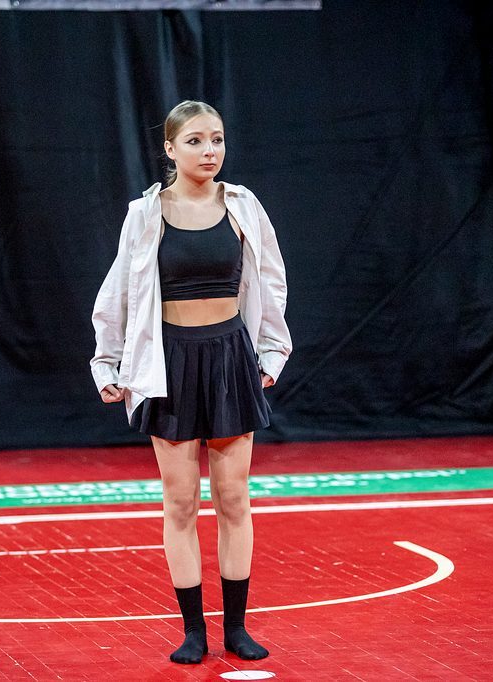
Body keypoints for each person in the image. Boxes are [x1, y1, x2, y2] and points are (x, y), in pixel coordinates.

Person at [90, 100, 292, 664]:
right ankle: (193, 632)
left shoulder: (244, 205)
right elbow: (119, 292)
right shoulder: (145, 213)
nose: (210, 151)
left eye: (217, 140)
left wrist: (272, 351)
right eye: (196, 141)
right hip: (170, 363)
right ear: (170, 149)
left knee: (234, 498)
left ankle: (236, 629)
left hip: (229, 358)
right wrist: (107, 363)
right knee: (180, 503)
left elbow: (270, 280)